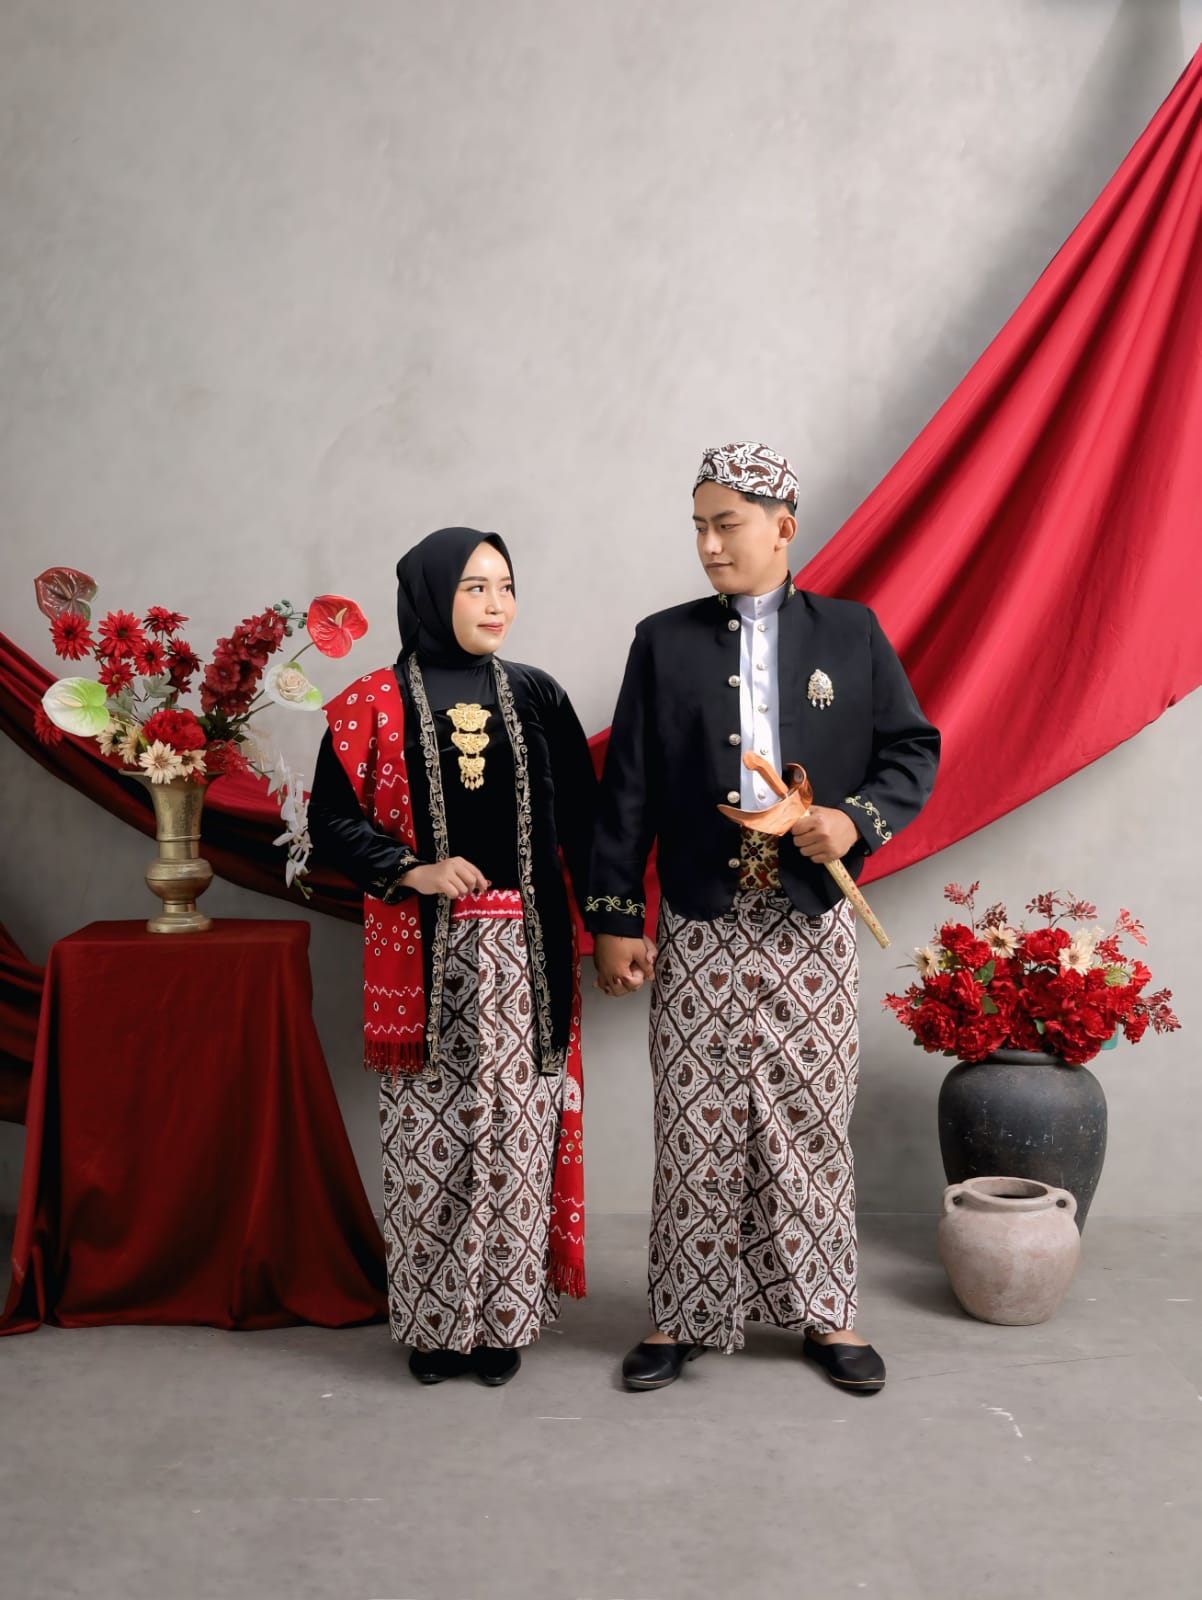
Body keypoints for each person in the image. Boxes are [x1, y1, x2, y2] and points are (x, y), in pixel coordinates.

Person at [587, 443, 940, 1394]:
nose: (709, 545)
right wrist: (614, 916)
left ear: (783, 527)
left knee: (810, 1114)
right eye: (698, 527)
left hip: (810, 918)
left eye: (727, 525)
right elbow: (627, 791)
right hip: (700, 915)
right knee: (693, 1117)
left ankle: (827, 1313)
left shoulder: (852, 633)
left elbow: (912, 750)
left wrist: (853, 821)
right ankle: (681, 1313)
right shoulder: (662, 641)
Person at [309, 526, 595, 1387]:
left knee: (514, 1141)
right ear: (432, 596)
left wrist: (616, 926)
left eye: (506, 586)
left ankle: (502, 1325)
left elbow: (586, 823)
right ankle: (434, 1330)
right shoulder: (370, 704)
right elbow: (332, 822)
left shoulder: (538, 694)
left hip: (528, 961)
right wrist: (414, 870)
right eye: (475, 587)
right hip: (427, 963)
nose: (497, 604)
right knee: (428, 1147)